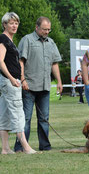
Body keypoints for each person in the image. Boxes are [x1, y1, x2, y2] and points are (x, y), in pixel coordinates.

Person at [14, 16, 63, 152]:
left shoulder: (51, 43)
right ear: (37, 27)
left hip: (45, 86)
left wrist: (59, 81)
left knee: (44, 119)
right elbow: (21, 62)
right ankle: (20, 147)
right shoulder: (27, 40)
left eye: (48, 29)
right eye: (44, 29)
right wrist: (22, 79)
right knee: (26, 119)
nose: (47, 32)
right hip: (28, 86)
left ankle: (45, 146)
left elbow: (54, 63)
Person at [0, 12, 36, 154]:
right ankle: (25, 147)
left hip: (8, 82)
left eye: (16, 23)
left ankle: (5, 148)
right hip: (10, 82)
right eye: (11, 23)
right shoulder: (3, 39)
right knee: (17, 113)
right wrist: (11, 78)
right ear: (4, 24)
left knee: (5, 114)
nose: (14, 25)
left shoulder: (9, 40)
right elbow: (0, 61)